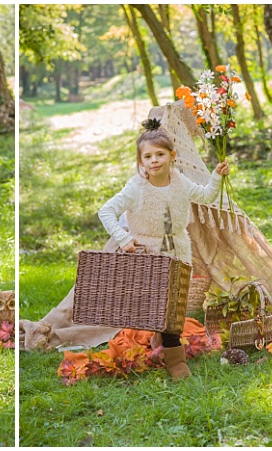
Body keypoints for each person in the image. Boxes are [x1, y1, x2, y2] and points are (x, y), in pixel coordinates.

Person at [98, 118, 230, 380]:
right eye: (148, 156)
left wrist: (216, 177)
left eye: (160, 154)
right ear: (141, 161)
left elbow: (205, 196)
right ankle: (175, 360)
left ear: (173, 156)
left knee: (174, 307)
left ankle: (165, 342)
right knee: (161, 307)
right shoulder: (136, 187)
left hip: (178, 251)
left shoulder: (179, 181)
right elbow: (106, 210)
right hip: (148, 254)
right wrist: (123, 239)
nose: (154, 160)